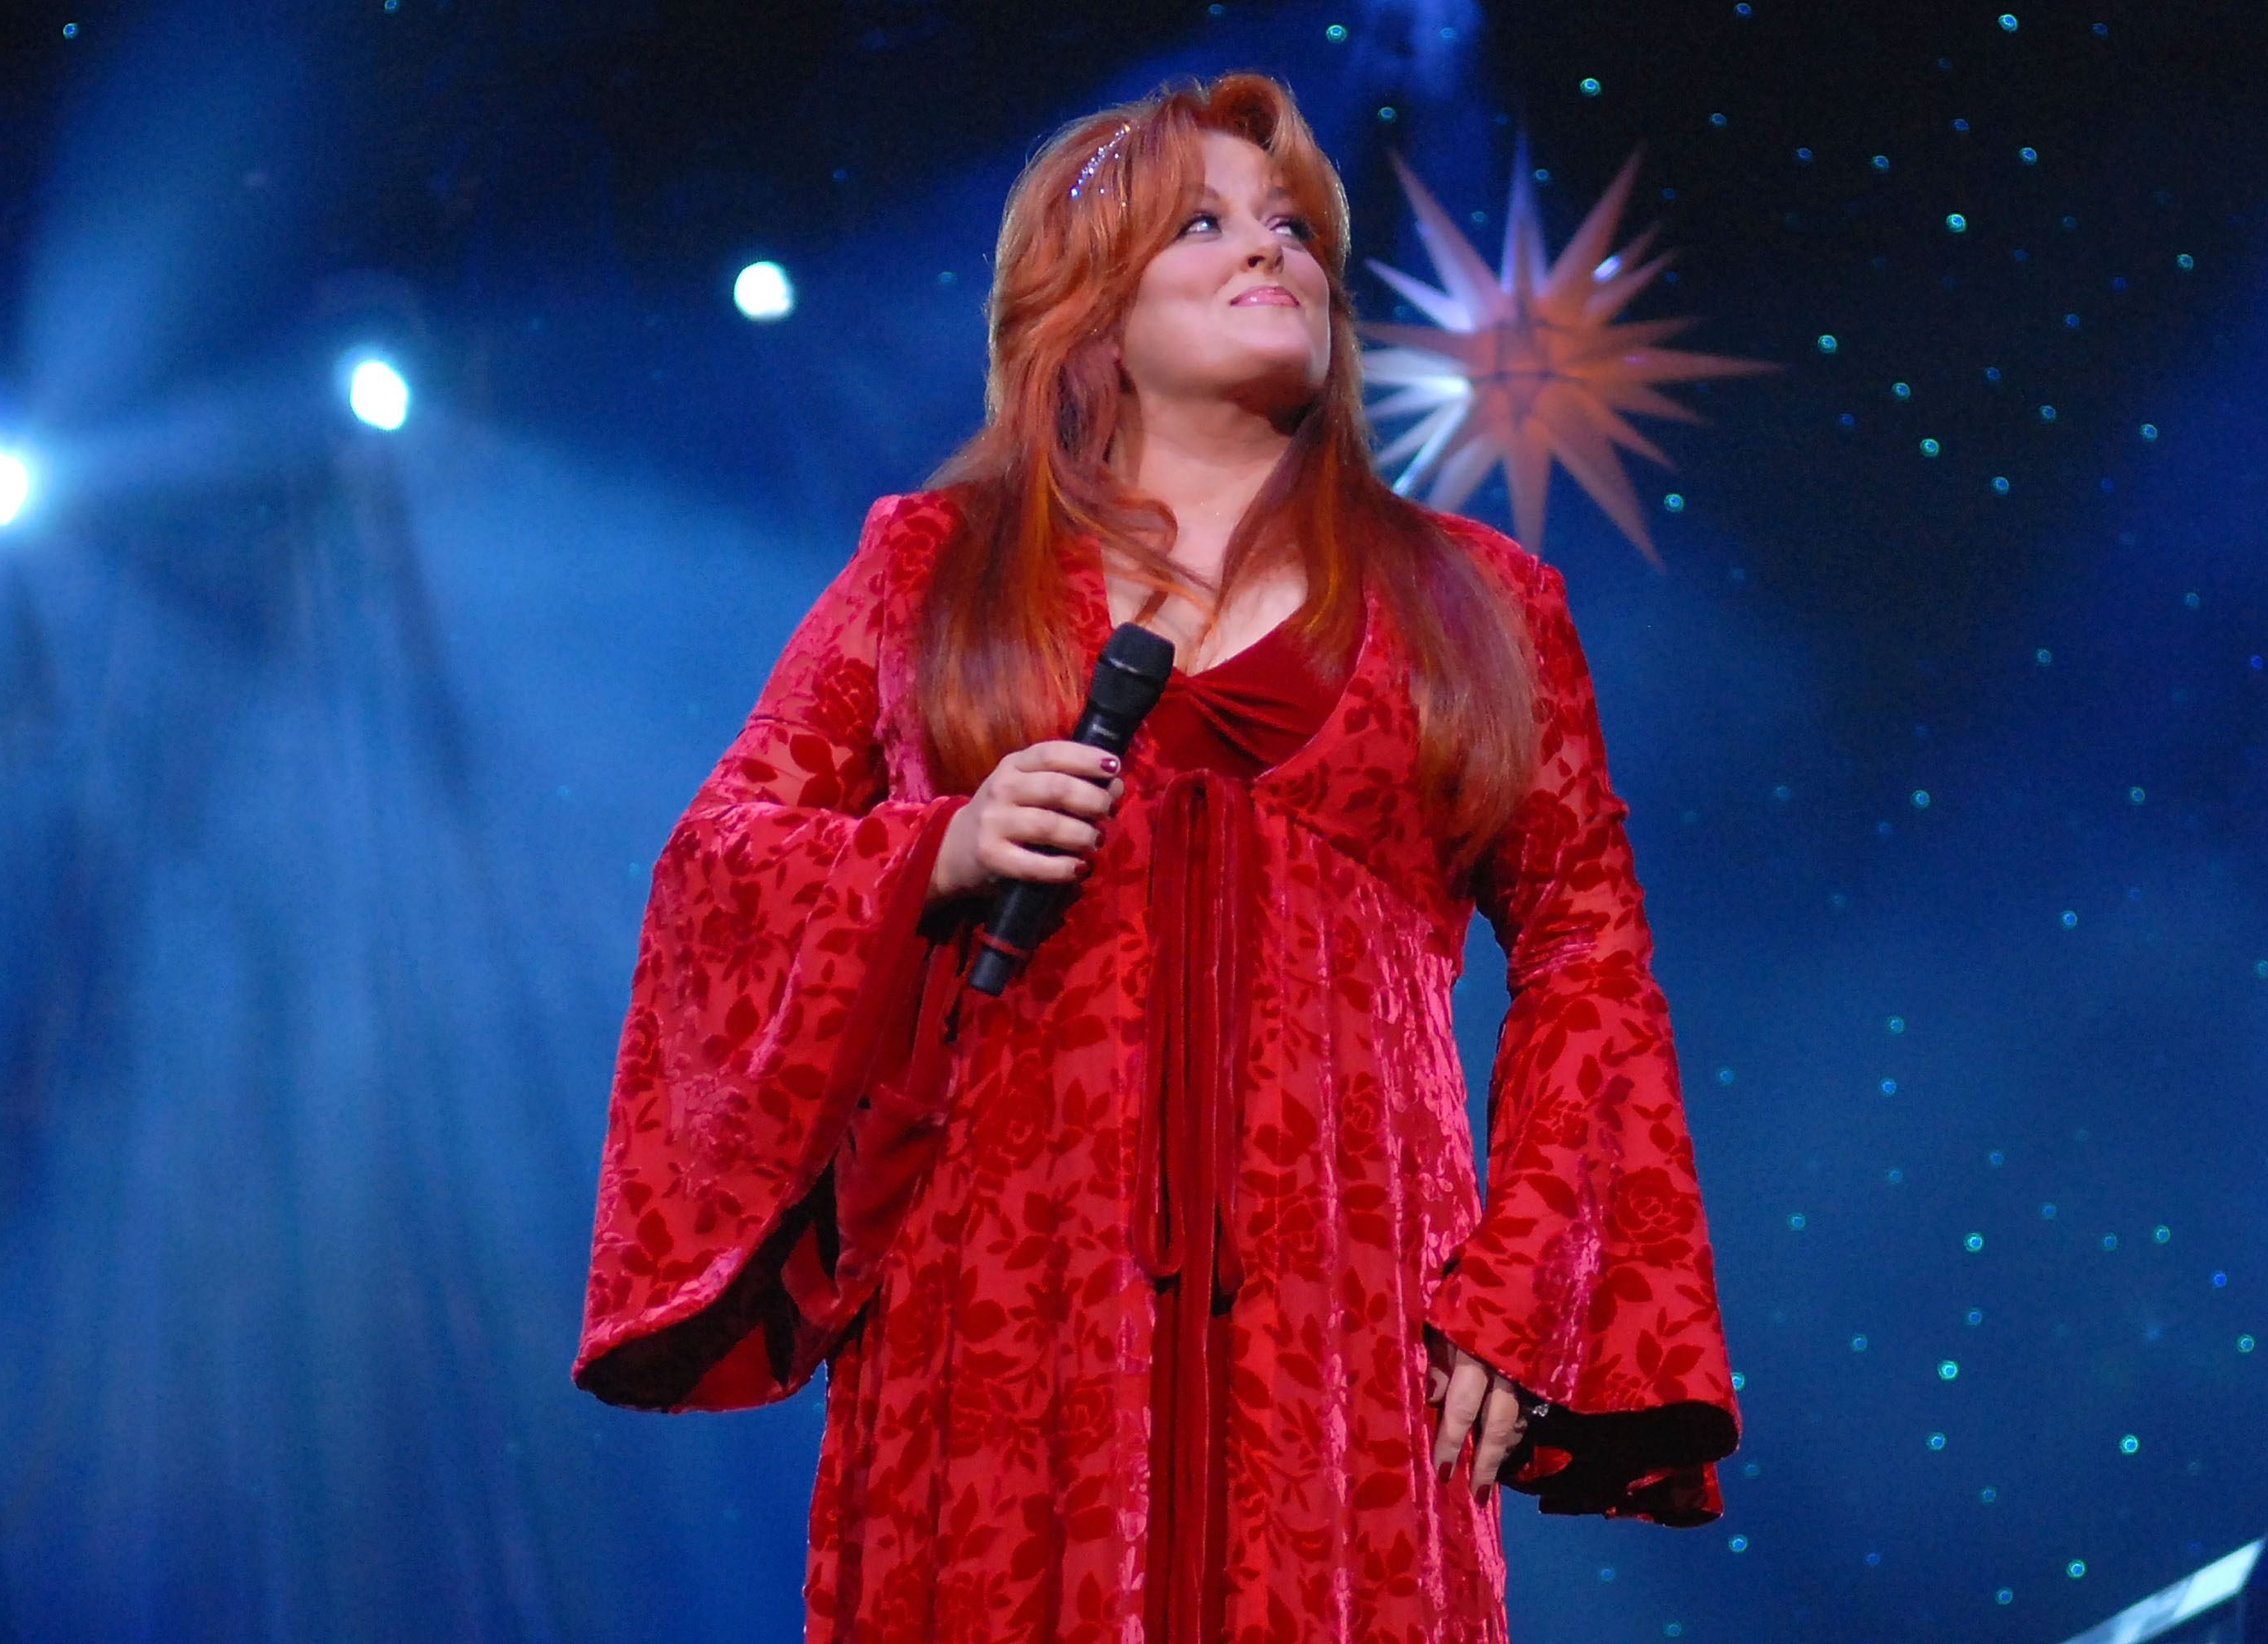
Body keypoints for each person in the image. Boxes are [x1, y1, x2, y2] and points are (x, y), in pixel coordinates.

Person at [574, 72, 1738, 1644]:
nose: (1276, 254)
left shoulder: (1486, 606)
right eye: (1204, 222)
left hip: (1353, 1347)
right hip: (1001, 1330)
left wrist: (1527, 1285)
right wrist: (941, 847)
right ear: (1091, 308)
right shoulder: (935, 574)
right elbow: (717, 865)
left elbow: (1592, 952)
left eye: (1293, 227)